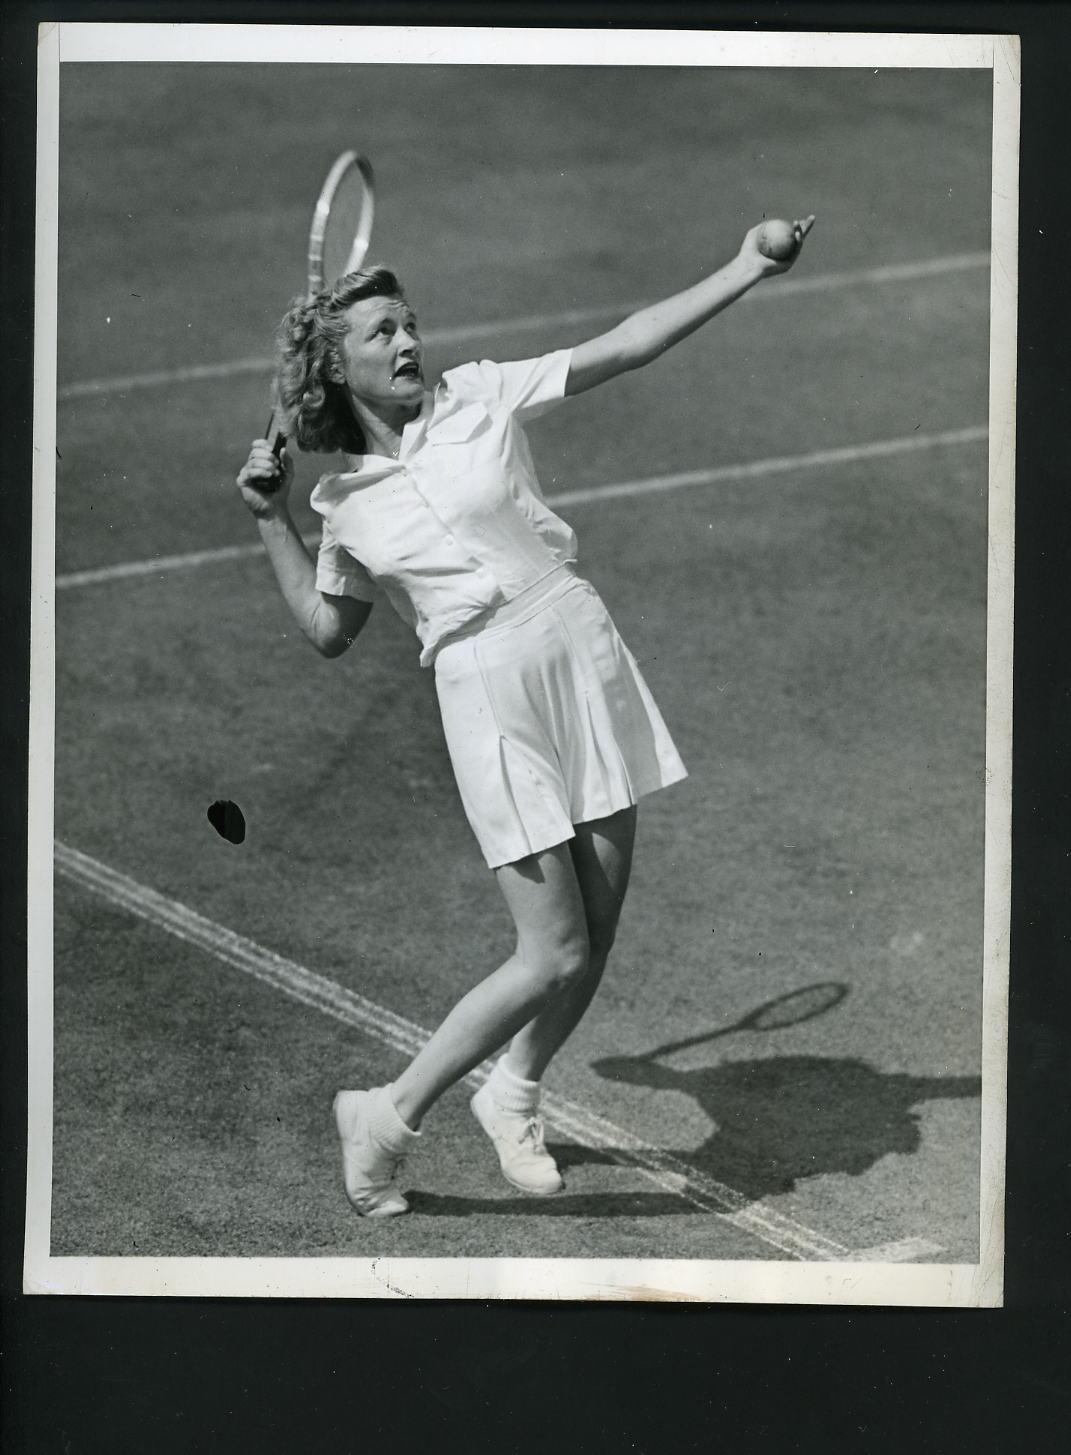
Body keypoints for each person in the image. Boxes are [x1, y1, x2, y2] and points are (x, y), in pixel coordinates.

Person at [236, 214, 815, 1217]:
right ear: (338, 371)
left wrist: (743, 264)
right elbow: (329, 629)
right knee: (552, 951)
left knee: (598, 925)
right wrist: (271, 520)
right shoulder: (343, 503)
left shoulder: (482, 394)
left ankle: (514, 1092)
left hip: (577, 644)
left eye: (410, 323)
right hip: (486, 690)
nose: (411, 342)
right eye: (381, 334)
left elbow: (625, 344)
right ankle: (385, 1114)